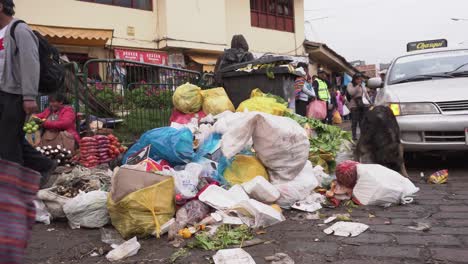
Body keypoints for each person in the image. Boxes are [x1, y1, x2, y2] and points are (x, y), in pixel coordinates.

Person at [347, 73, 371, 140]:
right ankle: (354, 136)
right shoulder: (350, 84)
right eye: (358, 79)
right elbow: (351, 92)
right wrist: (357, 86)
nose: (360, 80)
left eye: (360, 79)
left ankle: (362, 135)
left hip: (361, 105)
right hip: (354, 106)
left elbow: (365, 94)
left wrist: (369, 101)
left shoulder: (362, 85)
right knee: (354, 121)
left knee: (362, 121)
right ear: (354, 79)